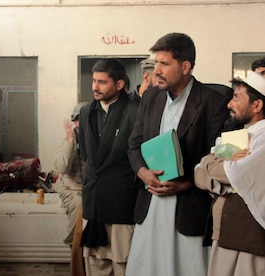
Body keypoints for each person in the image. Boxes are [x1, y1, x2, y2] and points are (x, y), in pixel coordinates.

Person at [126, 32, 229, 276]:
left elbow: (218, 159)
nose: (156, 71)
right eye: (155, 63)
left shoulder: (213, 102)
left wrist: (183, 185)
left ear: (185, 66)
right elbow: (134, 145)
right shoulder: (150, 97)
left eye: (164, 64)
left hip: (189, 207)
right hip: (151, 204)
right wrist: (142, 172)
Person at [195, 71, 265, 276]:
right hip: (225, 232)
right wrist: (213, 163)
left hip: (251, 237)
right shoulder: (237, 136)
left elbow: (237, 174)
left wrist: (211, 162)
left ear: (257, 105)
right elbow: (198, 174)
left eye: (236, 97)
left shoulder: (262, 138)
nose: (229, 104)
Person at [78, 58, 139, 275]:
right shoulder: (86, 113)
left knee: (123, 262)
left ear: (119, 84)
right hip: (94, 202)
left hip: (122, 201)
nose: (95, 86)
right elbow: (85, 155)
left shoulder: (136, 111)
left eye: (102, 82)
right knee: (95, 263)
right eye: (94, 81)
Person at [53, 101, 88, 276]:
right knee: (80, 208)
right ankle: (75, 255)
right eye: (76, 121)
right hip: (72, 189)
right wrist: (70, 141)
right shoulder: (66, 142)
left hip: (91, 189)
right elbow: (62, 167)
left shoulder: (96, 140)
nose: (78, 125)